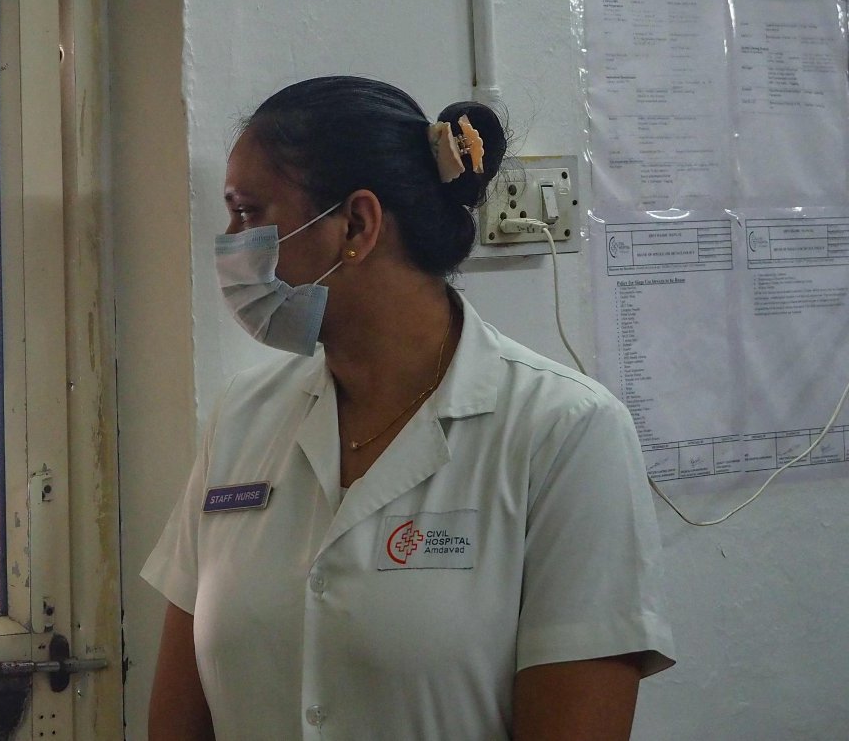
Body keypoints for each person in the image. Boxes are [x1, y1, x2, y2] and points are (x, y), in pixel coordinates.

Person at [143, 76, 673, 741]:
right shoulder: (243, 419)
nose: (228, 244)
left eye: (247, 213)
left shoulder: (565, 434)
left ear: (356, 226)